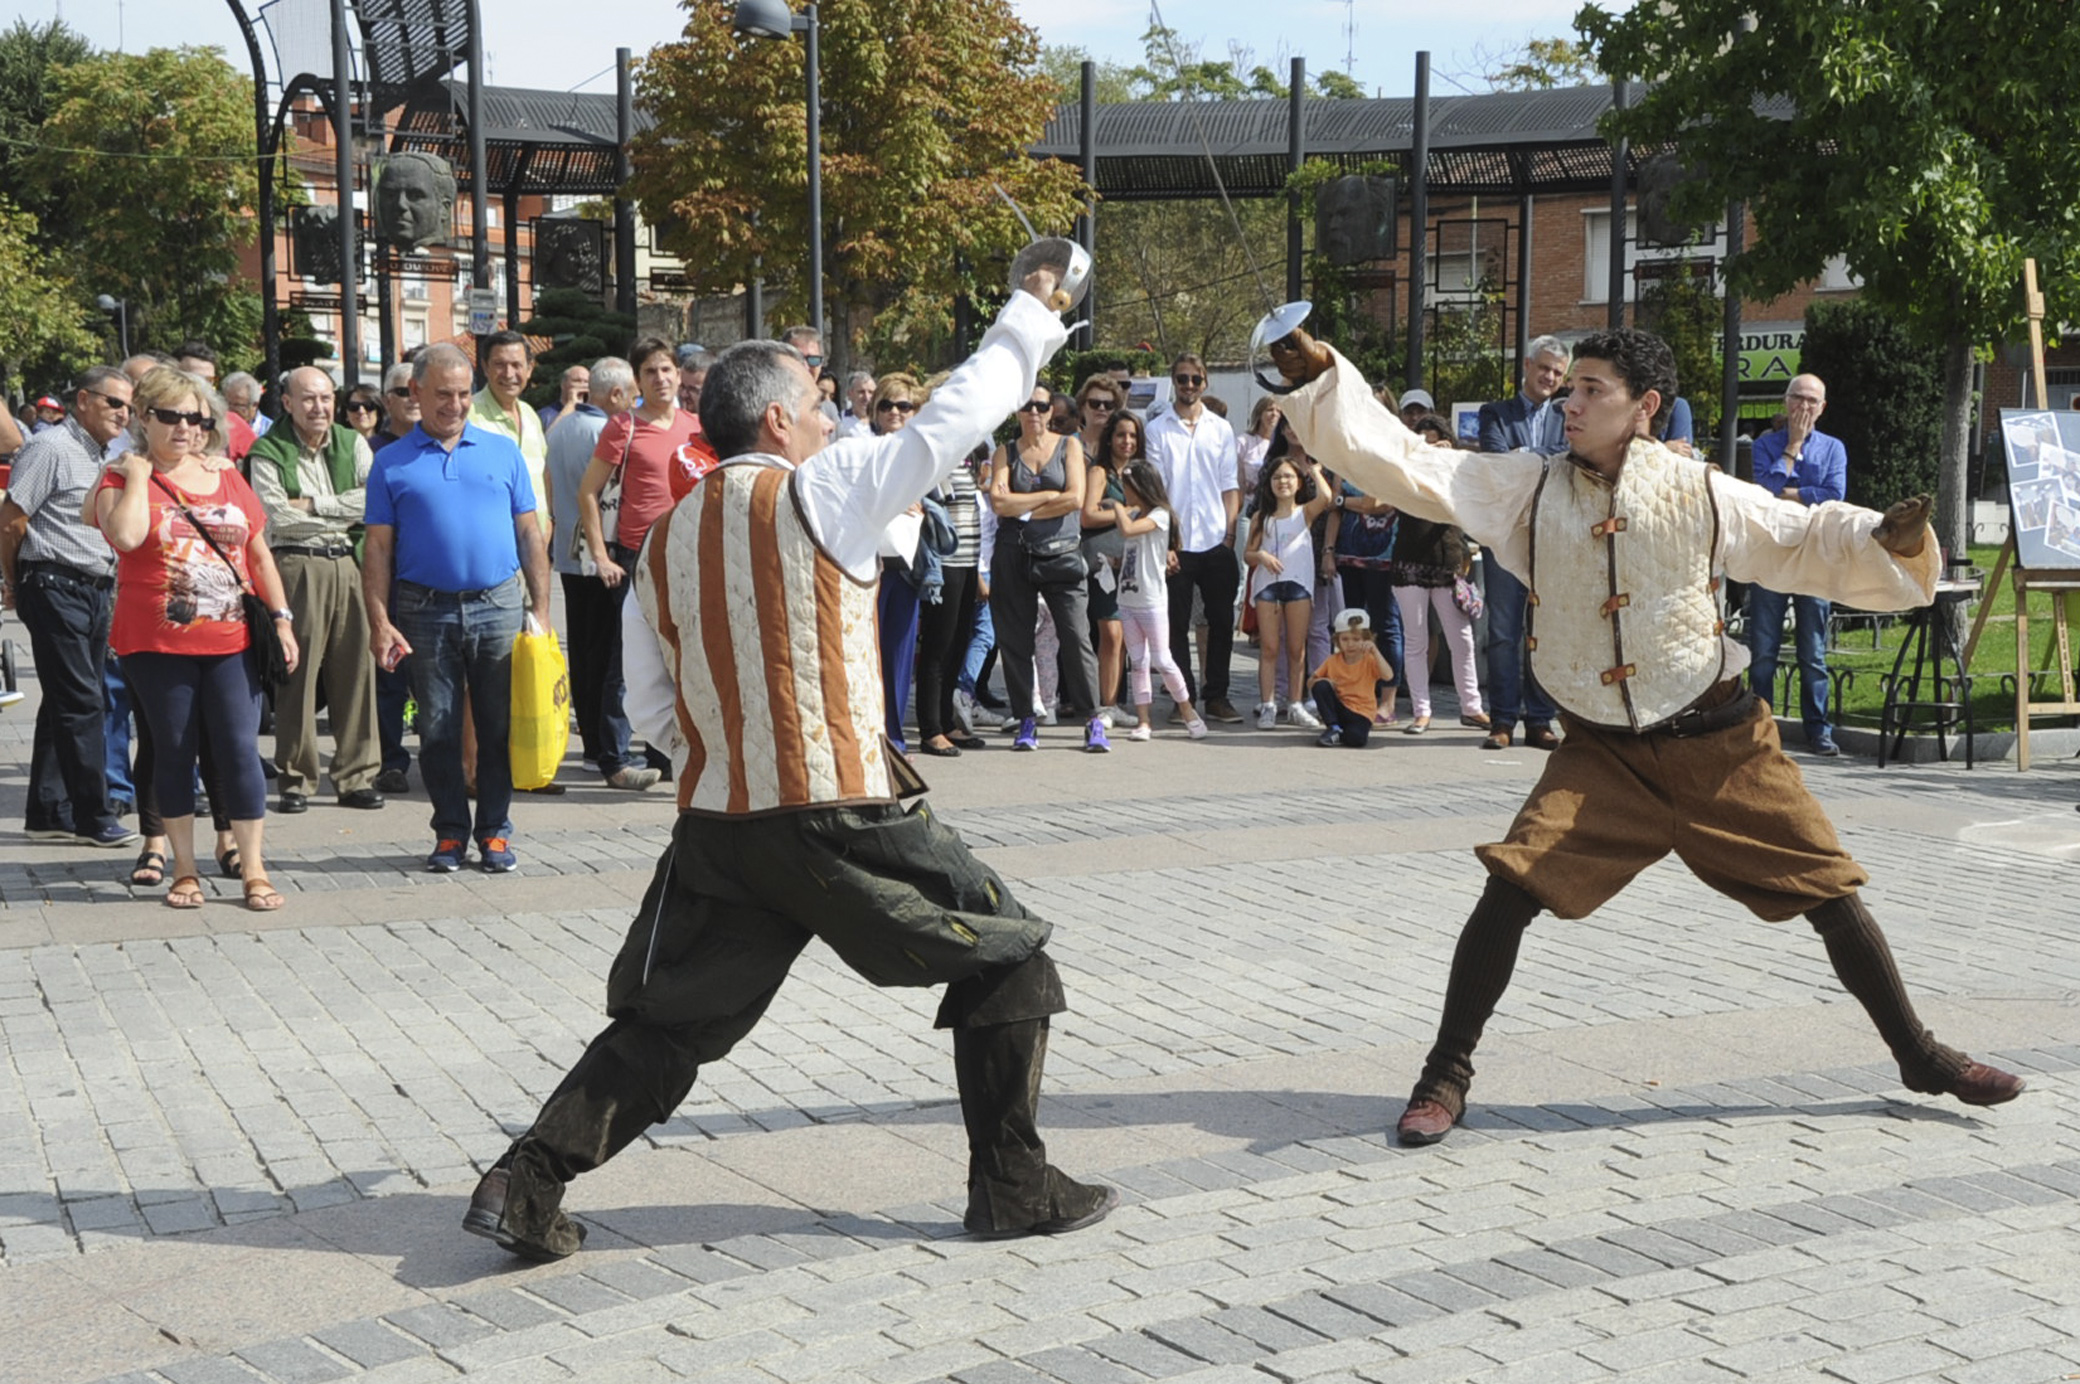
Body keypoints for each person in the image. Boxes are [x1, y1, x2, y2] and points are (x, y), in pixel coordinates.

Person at [461, 254, 1116, 1263]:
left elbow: (650, 707)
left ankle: (527, 1179)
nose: (828, 420)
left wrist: (737, 752)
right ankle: (1012, 1186)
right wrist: (1032, 308)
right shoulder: (828, 486)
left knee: (672, 1020)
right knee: (1010, 953)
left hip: (721, 825)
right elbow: (957, 415)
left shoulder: (664, 538)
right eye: (815, 405)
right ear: (776, 420)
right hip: (838, 807)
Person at [1265, 321, 2026, 1147]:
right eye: (1571, 388)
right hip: (1602, 755)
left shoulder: (1701, 490)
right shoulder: (1528, 488)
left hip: (1722, 746)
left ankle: (1921, 1056)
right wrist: (1322, 380)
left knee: (1830, 894)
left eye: (1593, 390)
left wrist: (1884, 538)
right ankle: (1444, 1076)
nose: (1571, 404)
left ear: (1645, 406)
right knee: (1510, 888)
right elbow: (1416, 467)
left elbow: (1799, 536)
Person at [92, 367, 297, 910]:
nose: (185, 428)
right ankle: (184, 869)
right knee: (174, 751)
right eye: (171, 416)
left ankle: (254, 868)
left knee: (239, 749)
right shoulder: (119, 476)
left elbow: (258, 554)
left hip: (232, 638)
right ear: (144, 418)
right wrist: (140, 475)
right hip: (156, 643)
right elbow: (126, 536)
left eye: (197, 419)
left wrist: (281, 618)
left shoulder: (226, 474)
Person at [364, 343, 553, 873]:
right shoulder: (390, 462)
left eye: (464, 394)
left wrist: (541, 610)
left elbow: (529, 533)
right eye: (443, 394)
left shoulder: (502, 452)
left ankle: (494, 831)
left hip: (498, 605)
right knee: (438, 729)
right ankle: (450, 832)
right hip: (423, 609)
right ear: (416, 392)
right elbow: (377, 548)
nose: (455, 404)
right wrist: (380, 621)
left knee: (497, 727)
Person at [0, 367, 140, 847]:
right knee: (84, 701)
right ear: (83, 399)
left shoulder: (102, 454)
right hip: (54, 582)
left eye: (129, 406)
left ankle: (47, 811)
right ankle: (93, 816)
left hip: (93, 587)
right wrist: (14, 582)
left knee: (68, 697)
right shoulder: (51, 447)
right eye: (114, 403)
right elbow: (12, 520)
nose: (123, 414)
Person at [246, 366, 385, 813]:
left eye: (326, 398)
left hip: (348, 563)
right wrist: (340, 512)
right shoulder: (268, 449)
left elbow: (374, 500)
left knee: (357, 672)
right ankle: (296, 779)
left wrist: (312, 504)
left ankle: (357, 777)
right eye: (308, 398)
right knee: (296, 675)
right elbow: (275, 516)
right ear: (287, 403)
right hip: (295, 565)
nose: (319, 407)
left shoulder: (352, 441)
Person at [576, 338, 699, 791]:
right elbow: (588, 491)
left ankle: (665, 754)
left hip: (685, 553)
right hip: (636, 557)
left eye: (667, 369)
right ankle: (614, 758)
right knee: (627, 658)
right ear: (638, 380)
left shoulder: (695, 427)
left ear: (679, 375)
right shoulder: (623, 427)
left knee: (681, 658)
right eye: (650, 371)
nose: (661, 379)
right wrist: (600, 555)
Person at [990, 384, 1106, 752]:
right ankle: (1026, 718)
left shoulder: (1069, 445)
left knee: (1076, 636)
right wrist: (1045, 497)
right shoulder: (1005, 452)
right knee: (1015, 640)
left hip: (1061, 553)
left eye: (1041, 406)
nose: (1034, 412)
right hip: (1014, 554)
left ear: (1051, 410)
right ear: (1017, 411)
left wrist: (1021, 507)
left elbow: (1074, 498)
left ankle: (1092, 719)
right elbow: (998, 503)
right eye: (1027, 405)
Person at [1474, 335, 1571, 751]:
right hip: (1506, 533)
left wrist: (1525, 453)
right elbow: (1498, 461)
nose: (1550, 377)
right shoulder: (1495, 413)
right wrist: (1544, 456)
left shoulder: (1570, 414)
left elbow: (1570, 456)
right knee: (1502, 632)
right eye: (1544, 368)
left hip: (1550, 534)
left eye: (1558, 372)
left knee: (1544, 630)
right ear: (1528, 366)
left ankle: (1539, 719)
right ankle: (1502, 720)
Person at [1748, 374, 1848, 756]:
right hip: (1771, 556)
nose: (1804, 406)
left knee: (1813, 651)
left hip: (1815, 556)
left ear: (1822, 408)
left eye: (1811, 401)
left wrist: (1789, 492)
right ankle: (1761, 728)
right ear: (1786, 401)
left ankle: (1818, 730)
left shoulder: (1833, 448)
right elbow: (1763, 493)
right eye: (1798, 398)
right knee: (1763, 650)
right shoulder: (1765, 445)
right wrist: (1791, 447)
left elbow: (1833, 495)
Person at [548, 356, 635, 780]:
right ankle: (603, 745)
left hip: (569, 551)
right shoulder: (606, 432)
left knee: (583, 651)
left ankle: (589, 743)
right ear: (615, 394)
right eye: (633, 394)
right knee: (606, 652)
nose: (635, 403)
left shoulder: (561, 426)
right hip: (600, 554)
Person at [1145, 353, 1243, 723]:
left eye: (1195, 379)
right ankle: (1181, 697)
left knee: (1221, 622)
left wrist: (1229, 536)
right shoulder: (1157, 430)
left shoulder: (1221, 429)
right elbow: (1156, 491)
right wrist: (1166, 541)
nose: (1189, 385)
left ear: (1205, 382)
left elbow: (1230, 485)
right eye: (1182, 378)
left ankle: (1217, 696)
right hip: (1177, 543)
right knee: (1175, 624)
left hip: (1216, 538)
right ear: (1173, 381)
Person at [1113, 459, 1207, 742]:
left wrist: (1115, 507)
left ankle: (1188, 711)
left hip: (1151, 600)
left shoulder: (1160, 515)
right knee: (1138, 661)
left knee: (1163, 659)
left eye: (1127, 486)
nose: (1124, 492)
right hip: (1127, 599)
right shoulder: (1137, 514)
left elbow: (1128, 530)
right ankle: (1144, 721)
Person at [1244, 446, 1333, 730]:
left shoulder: (1304, 512)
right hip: (1268, 587)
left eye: (1289, 477)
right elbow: (1248, 554)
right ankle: (1269, 703)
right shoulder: (1261, 517)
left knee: (1297, 648)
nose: (1283, 482)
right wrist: (1261, 556)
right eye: (1277, 477)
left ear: (1298, 482)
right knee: (1270, 648)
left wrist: (1314, 472)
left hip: (1298, 585)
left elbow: (1326, 497)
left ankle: (1295, 703)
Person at [1387, 501, 1484, 737]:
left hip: (1449, 562)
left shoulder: (1452, 483)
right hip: (1411, 560)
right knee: (1416, 641)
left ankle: (1472, 707)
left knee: (1462, 641)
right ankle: (1422, 711)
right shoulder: (1408, 482)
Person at [370, 360, 421, 794]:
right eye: (403, 392)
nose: (412, 399)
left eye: (418, 390)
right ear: (388, 401)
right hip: (390, 576)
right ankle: (391, 760)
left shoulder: (438, 444)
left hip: (431, 578)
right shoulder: (373, 450)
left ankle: (446, 758)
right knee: (390, 674)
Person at [470, 330, 551, 545]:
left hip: (535, 543)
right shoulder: (468, 415)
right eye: (499, 365)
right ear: (485, 367)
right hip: (492, 545)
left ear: (529, 369)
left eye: (516, 365)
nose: (508, 374)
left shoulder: (530, 415)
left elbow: (543, 473)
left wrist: (548, 521)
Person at [1078, 401, 1133, 717]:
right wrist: (1123, 511)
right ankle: (1103, 705)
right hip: (1103, 564)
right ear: (1110, 438)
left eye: (1133, 436)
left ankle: (1113, 704)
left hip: (1132, 563)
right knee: (1110, 633)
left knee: (1123, 637)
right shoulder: (1099, 472)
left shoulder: (1140, 472)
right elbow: (1087, 516)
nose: (1127, 441)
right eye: (1121, 435)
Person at [1310, 607, 1396, 748]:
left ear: (1366, 640)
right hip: (1340, 707)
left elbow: (1388, 676)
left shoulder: (1370, 659)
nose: (1350, 644)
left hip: (1362, 712)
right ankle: (1333, 727)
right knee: (1320, 686)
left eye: (1356, 639)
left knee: (1356, 740)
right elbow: (1311, 682)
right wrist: (1325, 681)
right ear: (1338, 640)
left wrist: (1375, 651)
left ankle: (1340, 734)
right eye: (1345, 639)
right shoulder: (1333, 660)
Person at [541, 364, 589, 432]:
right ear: (563, 384)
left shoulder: (591, 413)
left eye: (586, 382)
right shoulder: (545, 416)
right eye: (577, 381)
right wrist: (571, 403)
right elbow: (550, 436)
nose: (582, 385)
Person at [837, 369, 876, 438]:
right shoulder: (839, 419)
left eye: (870, 392)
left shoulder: (881, 422)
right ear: (849, 394)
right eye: (861, 392)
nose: (866, 397)